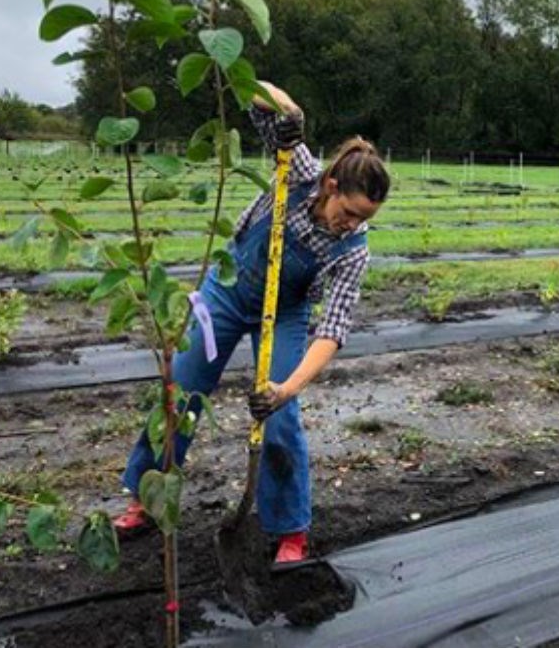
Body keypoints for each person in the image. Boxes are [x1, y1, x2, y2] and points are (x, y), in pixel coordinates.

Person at [112, 82, 391, 565]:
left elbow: (332, 332)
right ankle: (147, 497)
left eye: (363, 218)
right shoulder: (300, 171)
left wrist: (287, 388)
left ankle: (290, 530)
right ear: (331, 187)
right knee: (181, 391)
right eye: (348, 213)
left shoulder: (354, 250)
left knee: (280, 416)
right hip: (228, 288)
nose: (352, 224)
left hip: (285, 312)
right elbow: (252, 93)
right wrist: (290, 109)